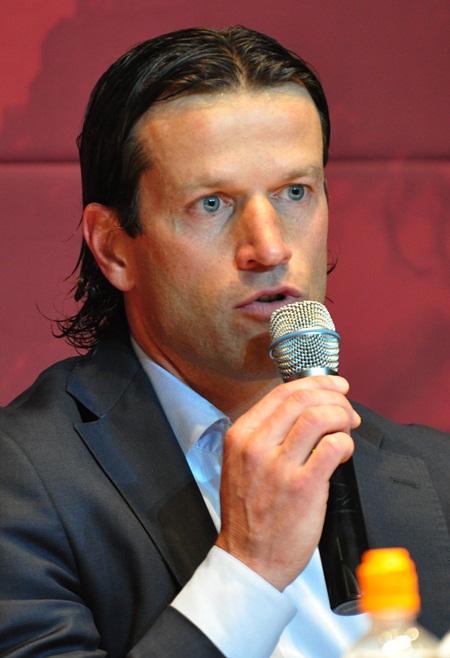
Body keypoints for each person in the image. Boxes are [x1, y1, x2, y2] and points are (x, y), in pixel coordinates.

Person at [0, 26, 449, 658]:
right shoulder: (21, 481)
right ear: (113, 247)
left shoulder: (436, 470)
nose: (270, 247)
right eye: (211, 204)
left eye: (295, 193)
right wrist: (248, 569)